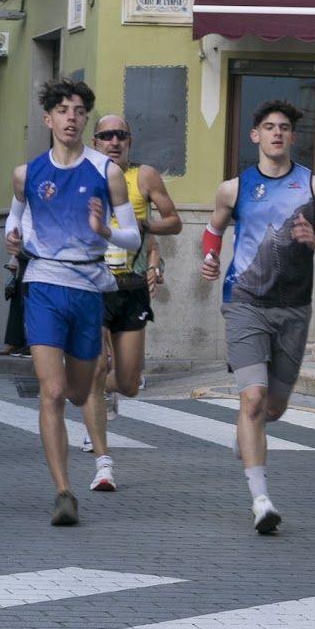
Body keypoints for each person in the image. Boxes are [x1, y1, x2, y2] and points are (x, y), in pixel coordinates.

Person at [200, 99, 315, 533]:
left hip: (293, 307)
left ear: (292, 137)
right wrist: (210, 260)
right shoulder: (233, 188)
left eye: (284, 128)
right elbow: (213, 230)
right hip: (245, 302)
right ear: (255, 135)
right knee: (251, 399)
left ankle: (247, 434)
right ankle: (261, 500)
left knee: (273, 406)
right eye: (268, 127)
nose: (276, 134)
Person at [3, 78, 140, 526]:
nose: (71, 117)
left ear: (85, 120)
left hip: (87, 288)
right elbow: (15, 214)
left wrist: (105, 233)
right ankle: (63, 491)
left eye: (79, 110)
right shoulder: (28, 174)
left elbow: (132, 234)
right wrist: (12, 233)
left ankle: (81, 449)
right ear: (48, 119)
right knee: (53, 391)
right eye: (62, 110)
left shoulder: (107, 172)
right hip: (42, 284)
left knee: (82, 390)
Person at [79, 115, 182, 491]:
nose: (114, 141)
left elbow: (174, 221)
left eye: (120, 135)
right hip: (93, 285)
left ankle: (103, 392)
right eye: (106, 136)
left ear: (129, 140)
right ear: (95, 141)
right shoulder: (83, 174)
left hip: (132, 285)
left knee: (127, 382)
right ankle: (103, 463)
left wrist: (144, 228)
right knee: (95, 367)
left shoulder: (144, 177)